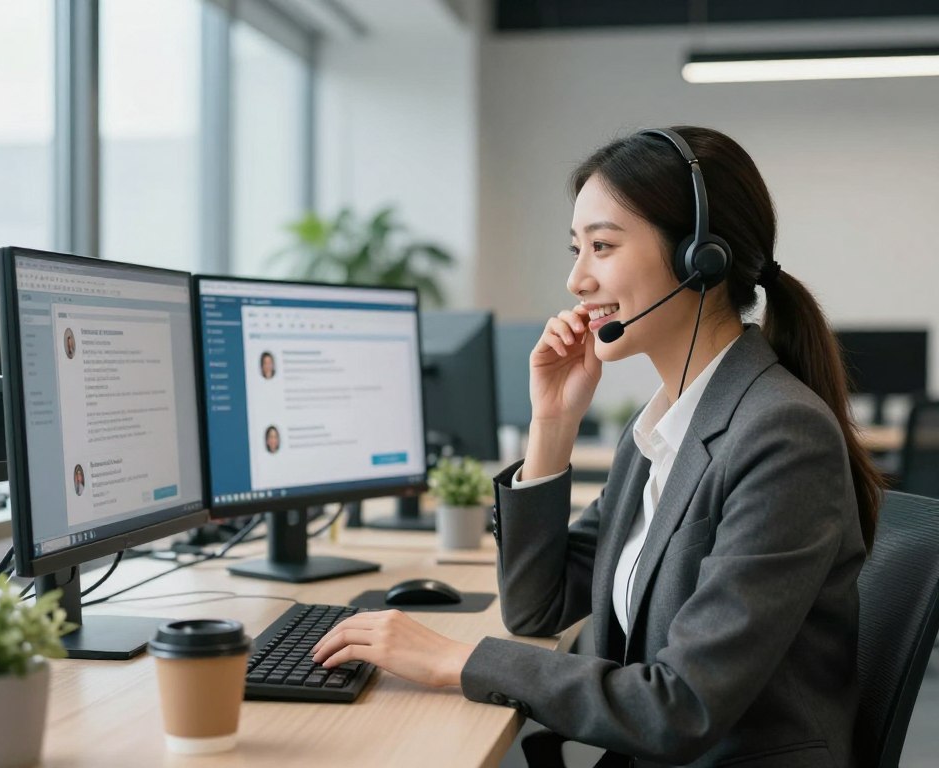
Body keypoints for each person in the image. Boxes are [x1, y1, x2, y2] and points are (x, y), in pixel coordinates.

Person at [311, 126, 883, 766]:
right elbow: (537, 608)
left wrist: (454, 659)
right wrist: (552, 424)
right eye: (576, 248)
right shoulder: (662, 428)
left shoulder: (780, 435)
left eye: (602, 247)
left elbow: (682, 706)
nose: (577, 279)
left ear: (702, 259)